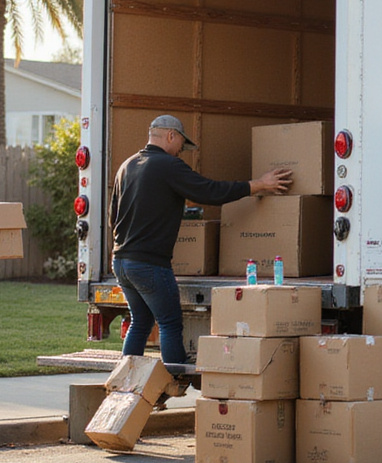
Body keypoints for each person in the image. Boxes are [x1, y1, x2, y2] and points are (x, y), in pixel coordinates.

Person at [109, 115, 291, 365]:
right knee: (170, 324)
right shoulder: (169, 166)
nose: (181, 152)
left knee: (140, 322)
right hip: (149, 264)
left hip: (121, 261)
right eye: (182, 146)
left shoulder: (126, 166)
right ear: (171, 136)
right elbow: (210, 191)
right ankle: (174, 382)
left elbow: (113, 218)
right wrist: (258, 184)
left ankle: (127, 382)